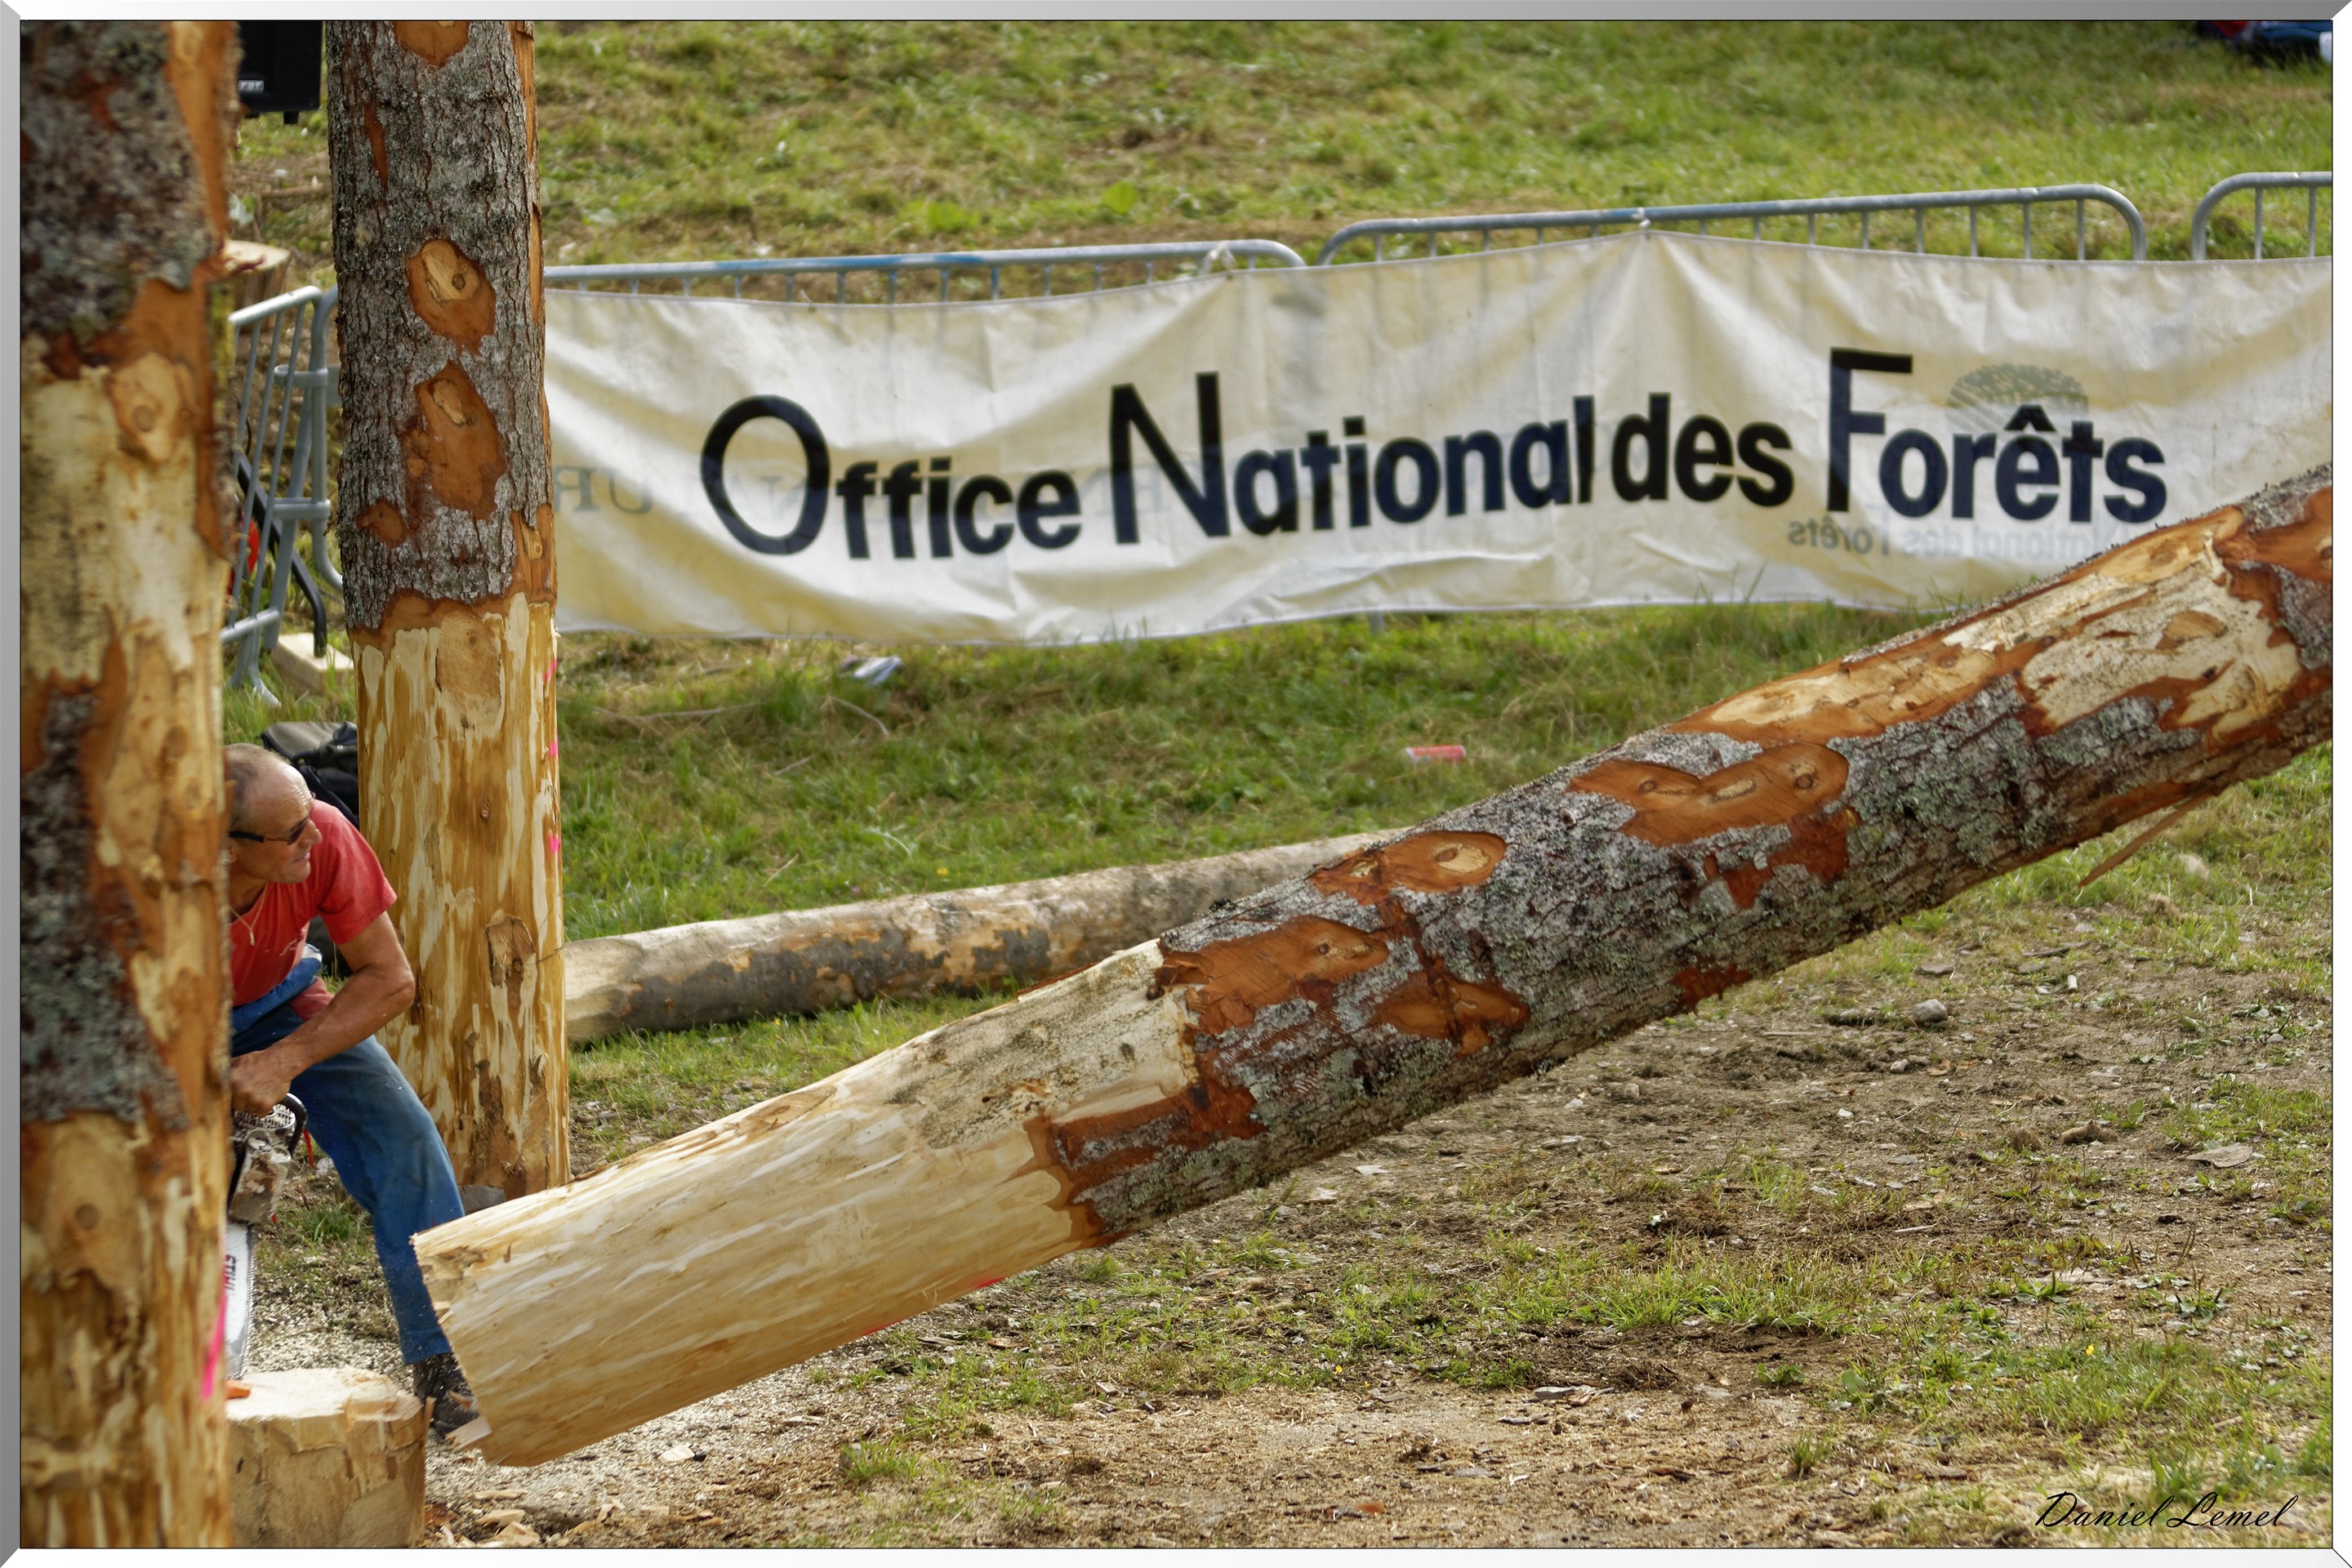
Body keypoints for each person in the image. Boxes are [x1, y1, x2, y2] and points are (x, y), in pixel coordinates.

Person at [223, 742, 479, 1437]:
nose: (315, 834)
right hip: (154, 1016)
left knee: (404, 1140)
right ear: (223, 847)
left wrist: (283, 1059)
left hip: (278, 1001)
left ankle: (446, 1362)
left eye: (310, 817)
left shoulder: (325, 834)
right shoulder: (144, 872)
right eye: (290, 832)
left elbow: (389, 978)